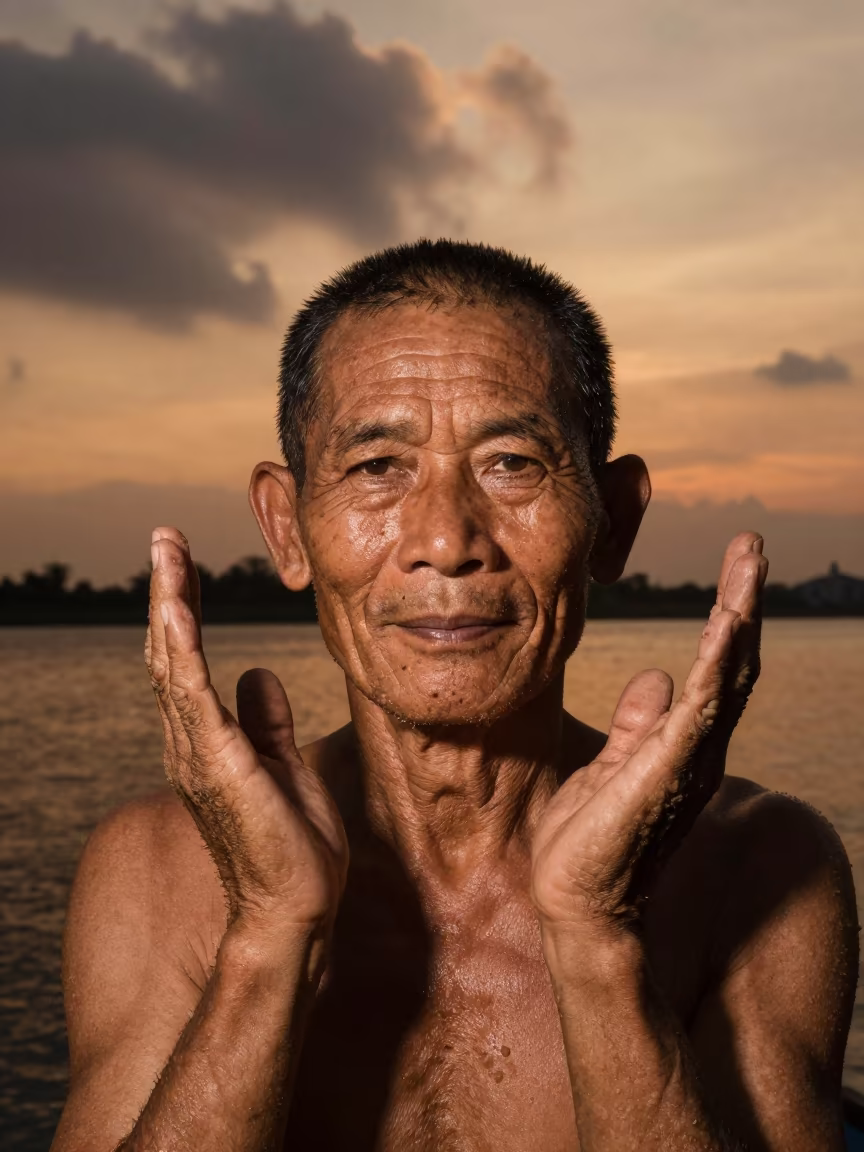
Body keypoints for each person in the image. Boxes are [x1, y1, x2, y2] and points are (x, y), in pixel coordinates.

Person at [52, 240, 858, 1152]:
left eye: (512, 461)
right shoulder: (157, 869)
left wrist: (597, 940)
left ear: (612, 520)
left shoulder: (759, 870)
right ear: (287, 527)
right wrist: (269, 939)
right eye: (377, 467)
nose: (445, 539)